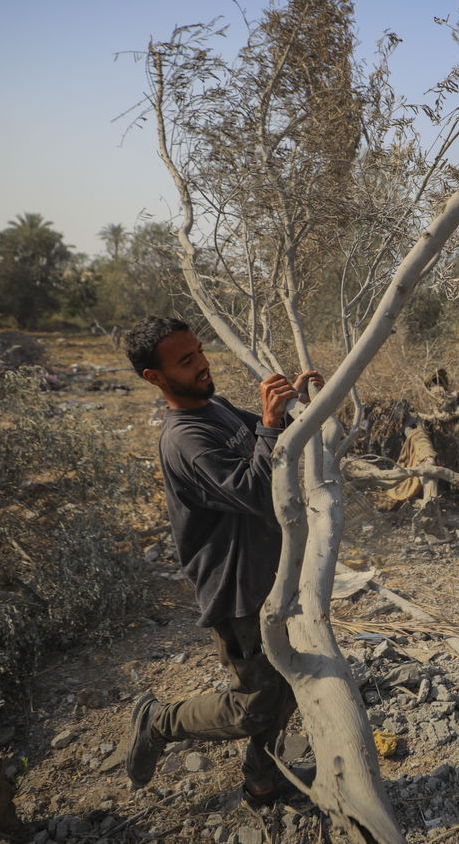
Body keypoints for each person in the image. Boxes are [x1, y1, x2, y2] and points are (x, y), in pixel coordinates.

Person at [119, 316, 323, 805]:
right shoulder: (185, 440)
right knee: (253, 705)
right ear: (155, 377)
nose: (202, 364)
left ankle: (262, 778)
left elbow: (270, 448)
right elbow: (256, 490)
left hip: (268, 572)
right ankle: (159, 722)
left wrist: (288, 405)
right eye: (185, 360)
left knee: (285, 683)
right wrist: (271, 423)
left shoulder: (215, 407)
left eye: (199, 351)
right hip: (237, 589)